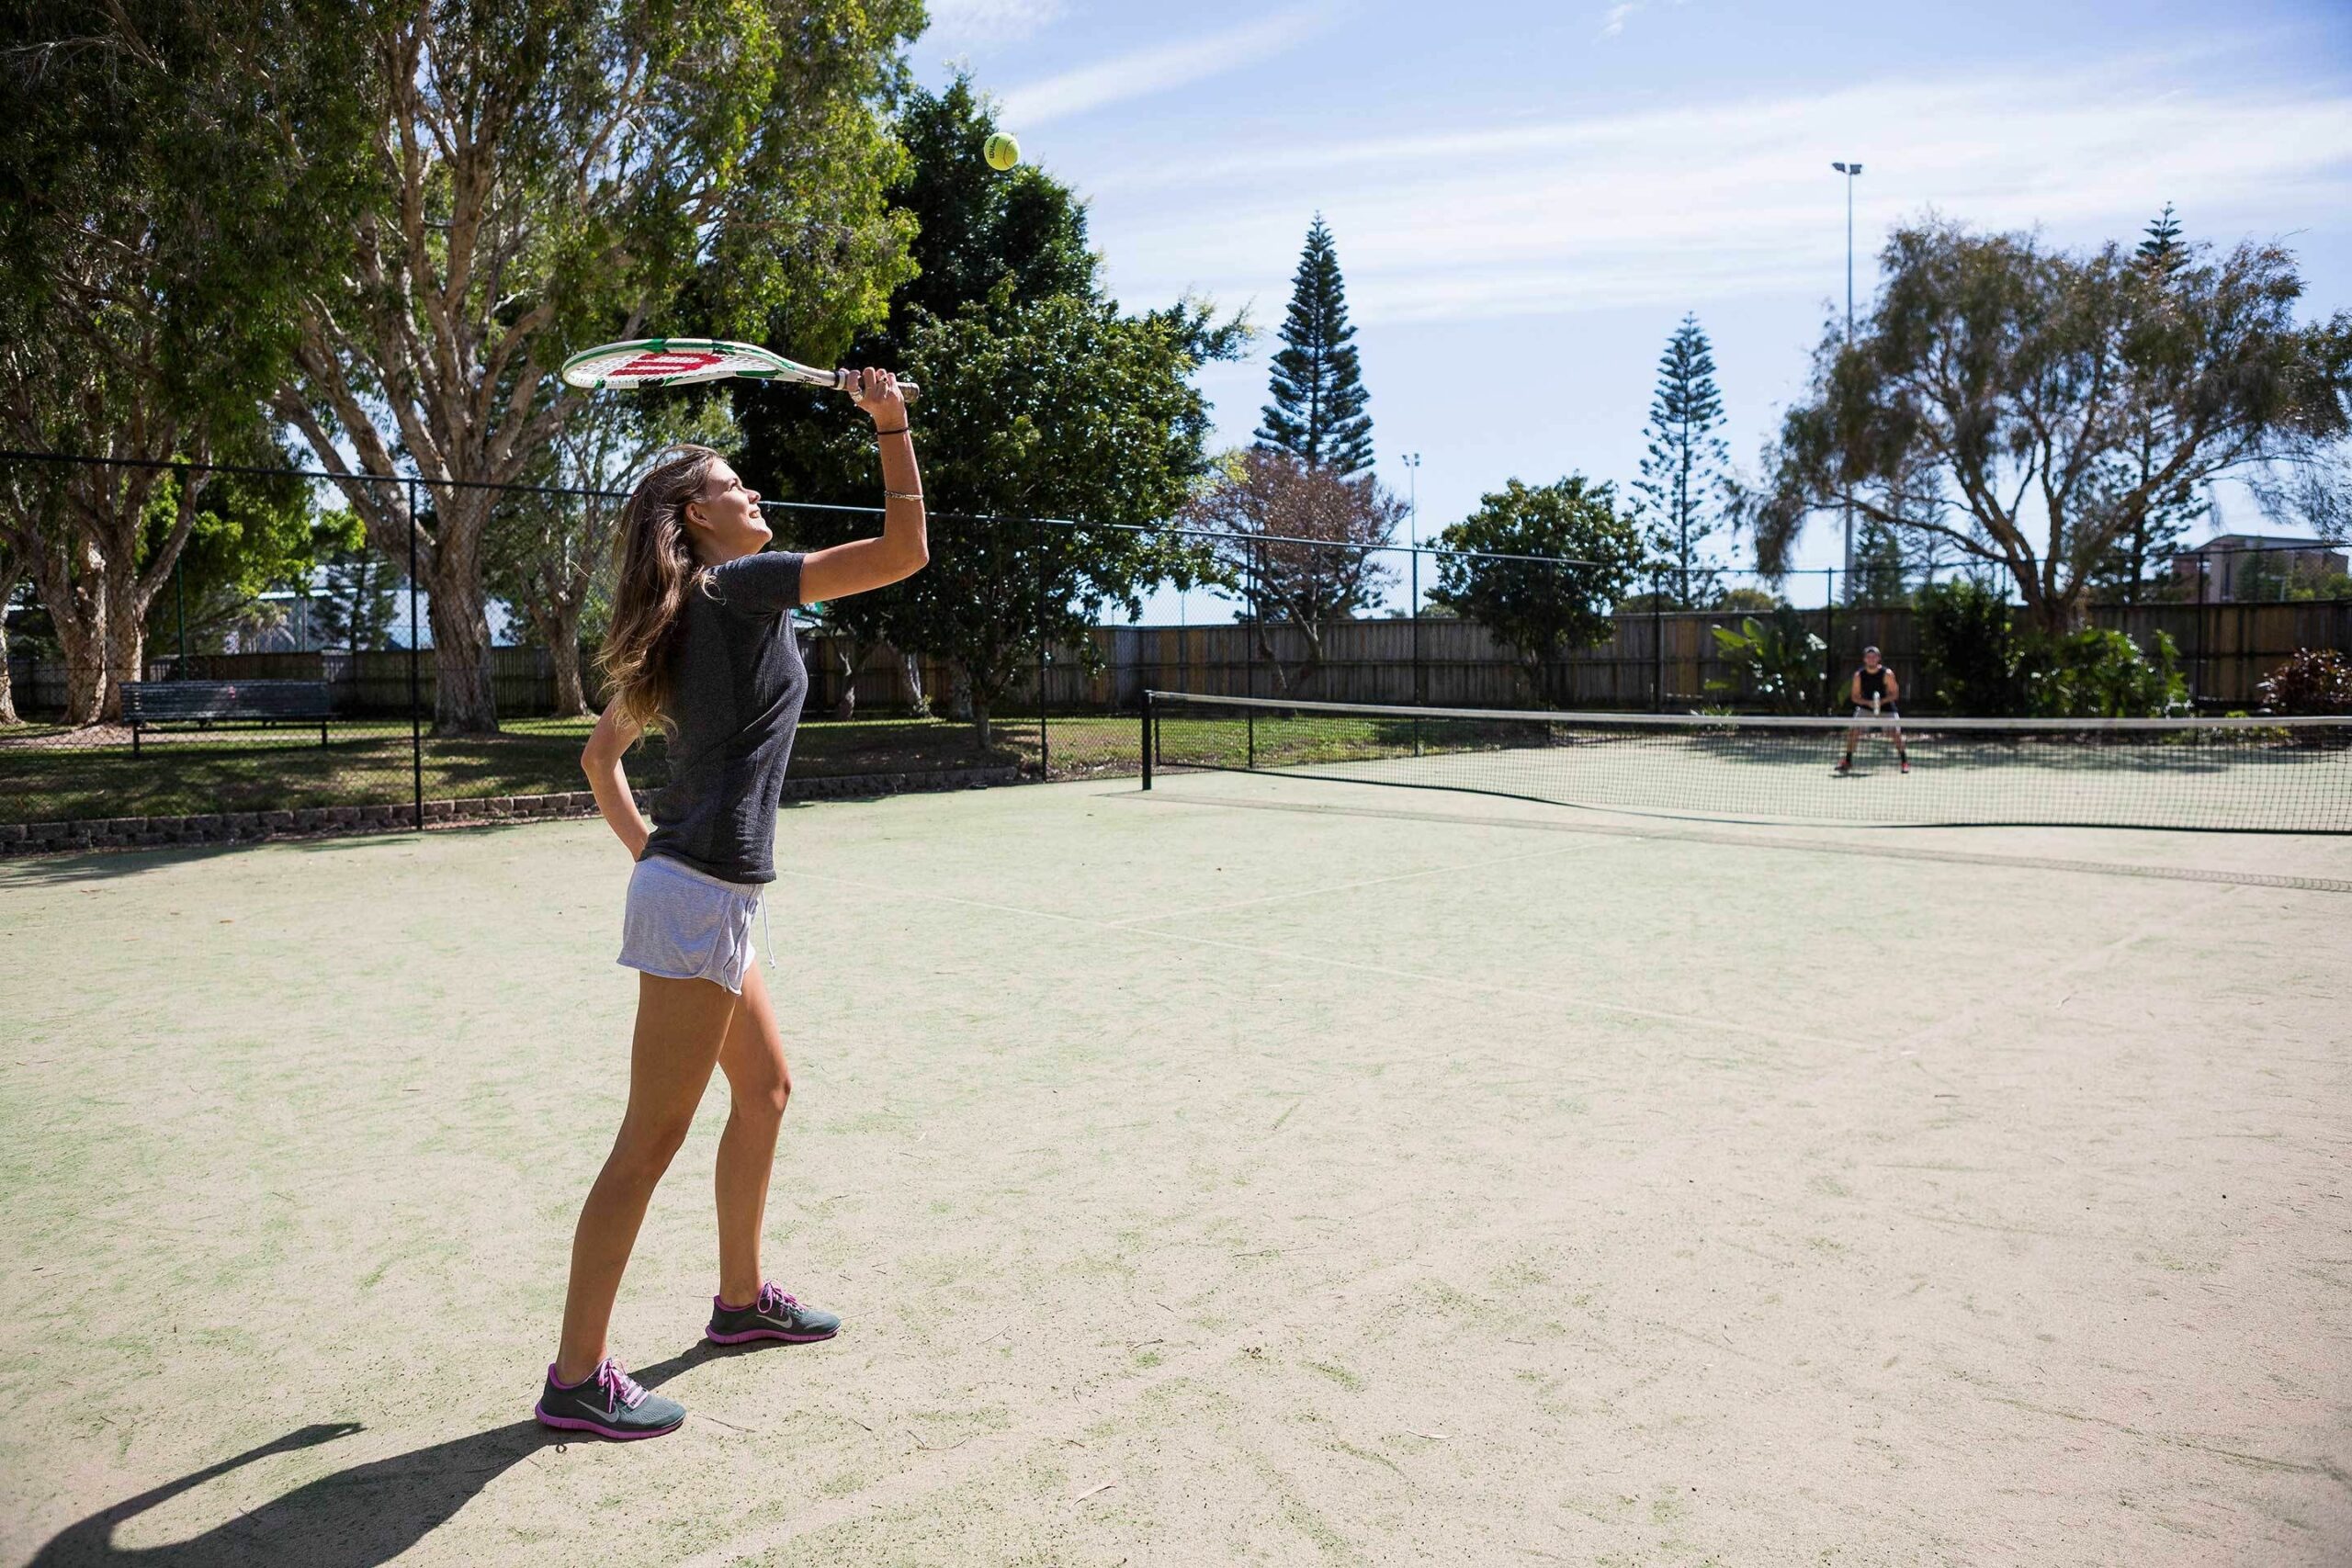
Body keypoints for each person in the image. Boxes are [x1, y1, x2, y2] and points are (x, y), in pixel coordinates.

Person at [535, 370, 926, 1440]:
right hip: (698, 892)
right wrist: (890, 427)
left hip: (704, 891)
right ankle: (575, 1378)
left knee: (766, 1090)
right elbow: (902, 555)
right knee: (649, 1142)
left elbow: (597, 758)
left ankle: (742, 1304)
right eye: (733, 485)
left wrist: (651, 864)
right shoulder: (738, 586)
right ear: (694, 516)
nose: (751, 495)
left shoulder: (685, 612)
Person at [1833, 644, 1909, 775]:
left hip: (1887, 708)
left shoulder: (1887, 674)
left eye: (1874, 657)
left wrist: (1880, 702)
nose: (1871, 659)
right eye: (1868, 657)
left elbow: (1894, 694)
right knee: (1853, 731)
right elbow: (1855, 697)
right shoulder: (1859, 675)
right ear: (1865, 659)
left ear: (1878, 658)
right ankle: (1848, 761)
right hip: (1866, 708)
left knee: (1896, 734)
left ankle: (1904, 762)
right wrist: (1869, 703)